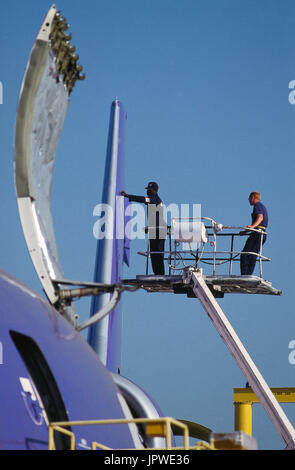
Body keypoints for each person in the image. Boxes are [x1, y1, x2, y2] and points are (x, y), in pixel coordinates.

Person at [121, 182, 166, 275]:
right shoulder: (153, 199)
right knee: (153, 253)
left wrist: (128, 196)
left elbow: (142, 199)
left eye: (149, 190)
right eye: (147, 190)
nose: (148, 192)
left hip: (159, 230)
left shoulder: (155, 199)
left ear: (154, 190)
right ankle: (157, 273)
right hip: (154, 229)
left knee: (158, 252)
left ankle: (160, 273)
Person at [240, 191, 268, 275]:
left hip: (257, 234)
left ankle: (245, 274)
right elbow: (259, 223)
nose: (248, 200)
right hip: (260, 233)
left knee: (245, 254)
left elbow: (260, 218)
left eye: (249, 198)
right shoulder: (262, 206)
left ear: (253, 197)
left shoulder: (257, 205)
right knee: (252, 254)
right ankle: (248, 274)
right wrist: (245, 232)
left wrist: (252, 227)